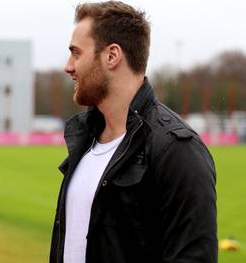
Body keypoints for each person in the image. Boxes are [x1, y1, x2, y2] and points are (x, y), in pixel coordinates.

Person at [49, 1, 217, 263]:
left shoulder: (177, 150)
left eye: (76, 53)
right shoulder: (84, 140)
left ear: (112, 56)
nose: (68, 66)